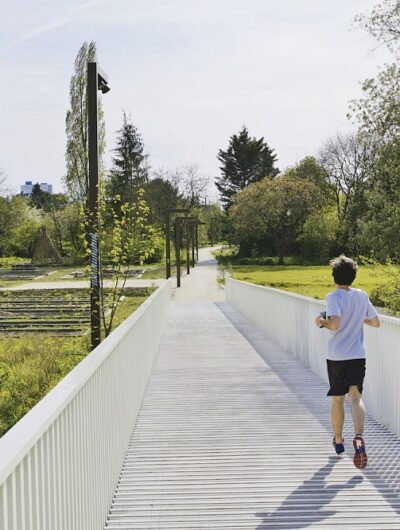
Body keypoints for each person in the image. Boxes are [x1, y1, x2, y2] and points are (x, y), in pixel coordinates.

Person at [315, 255, 380, 469]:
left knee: (337, 399)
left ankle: (339, 440)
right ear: (353, 276)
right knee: (356, 396)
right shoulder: (362, 295)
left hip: (337, 356)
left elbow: (334, 324)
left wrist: (320, 321)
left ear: (334, 276)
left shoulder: (334, 297)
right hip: (357, 355)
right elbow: (376, 322)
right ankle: (359, 436)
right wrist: (357, 316)